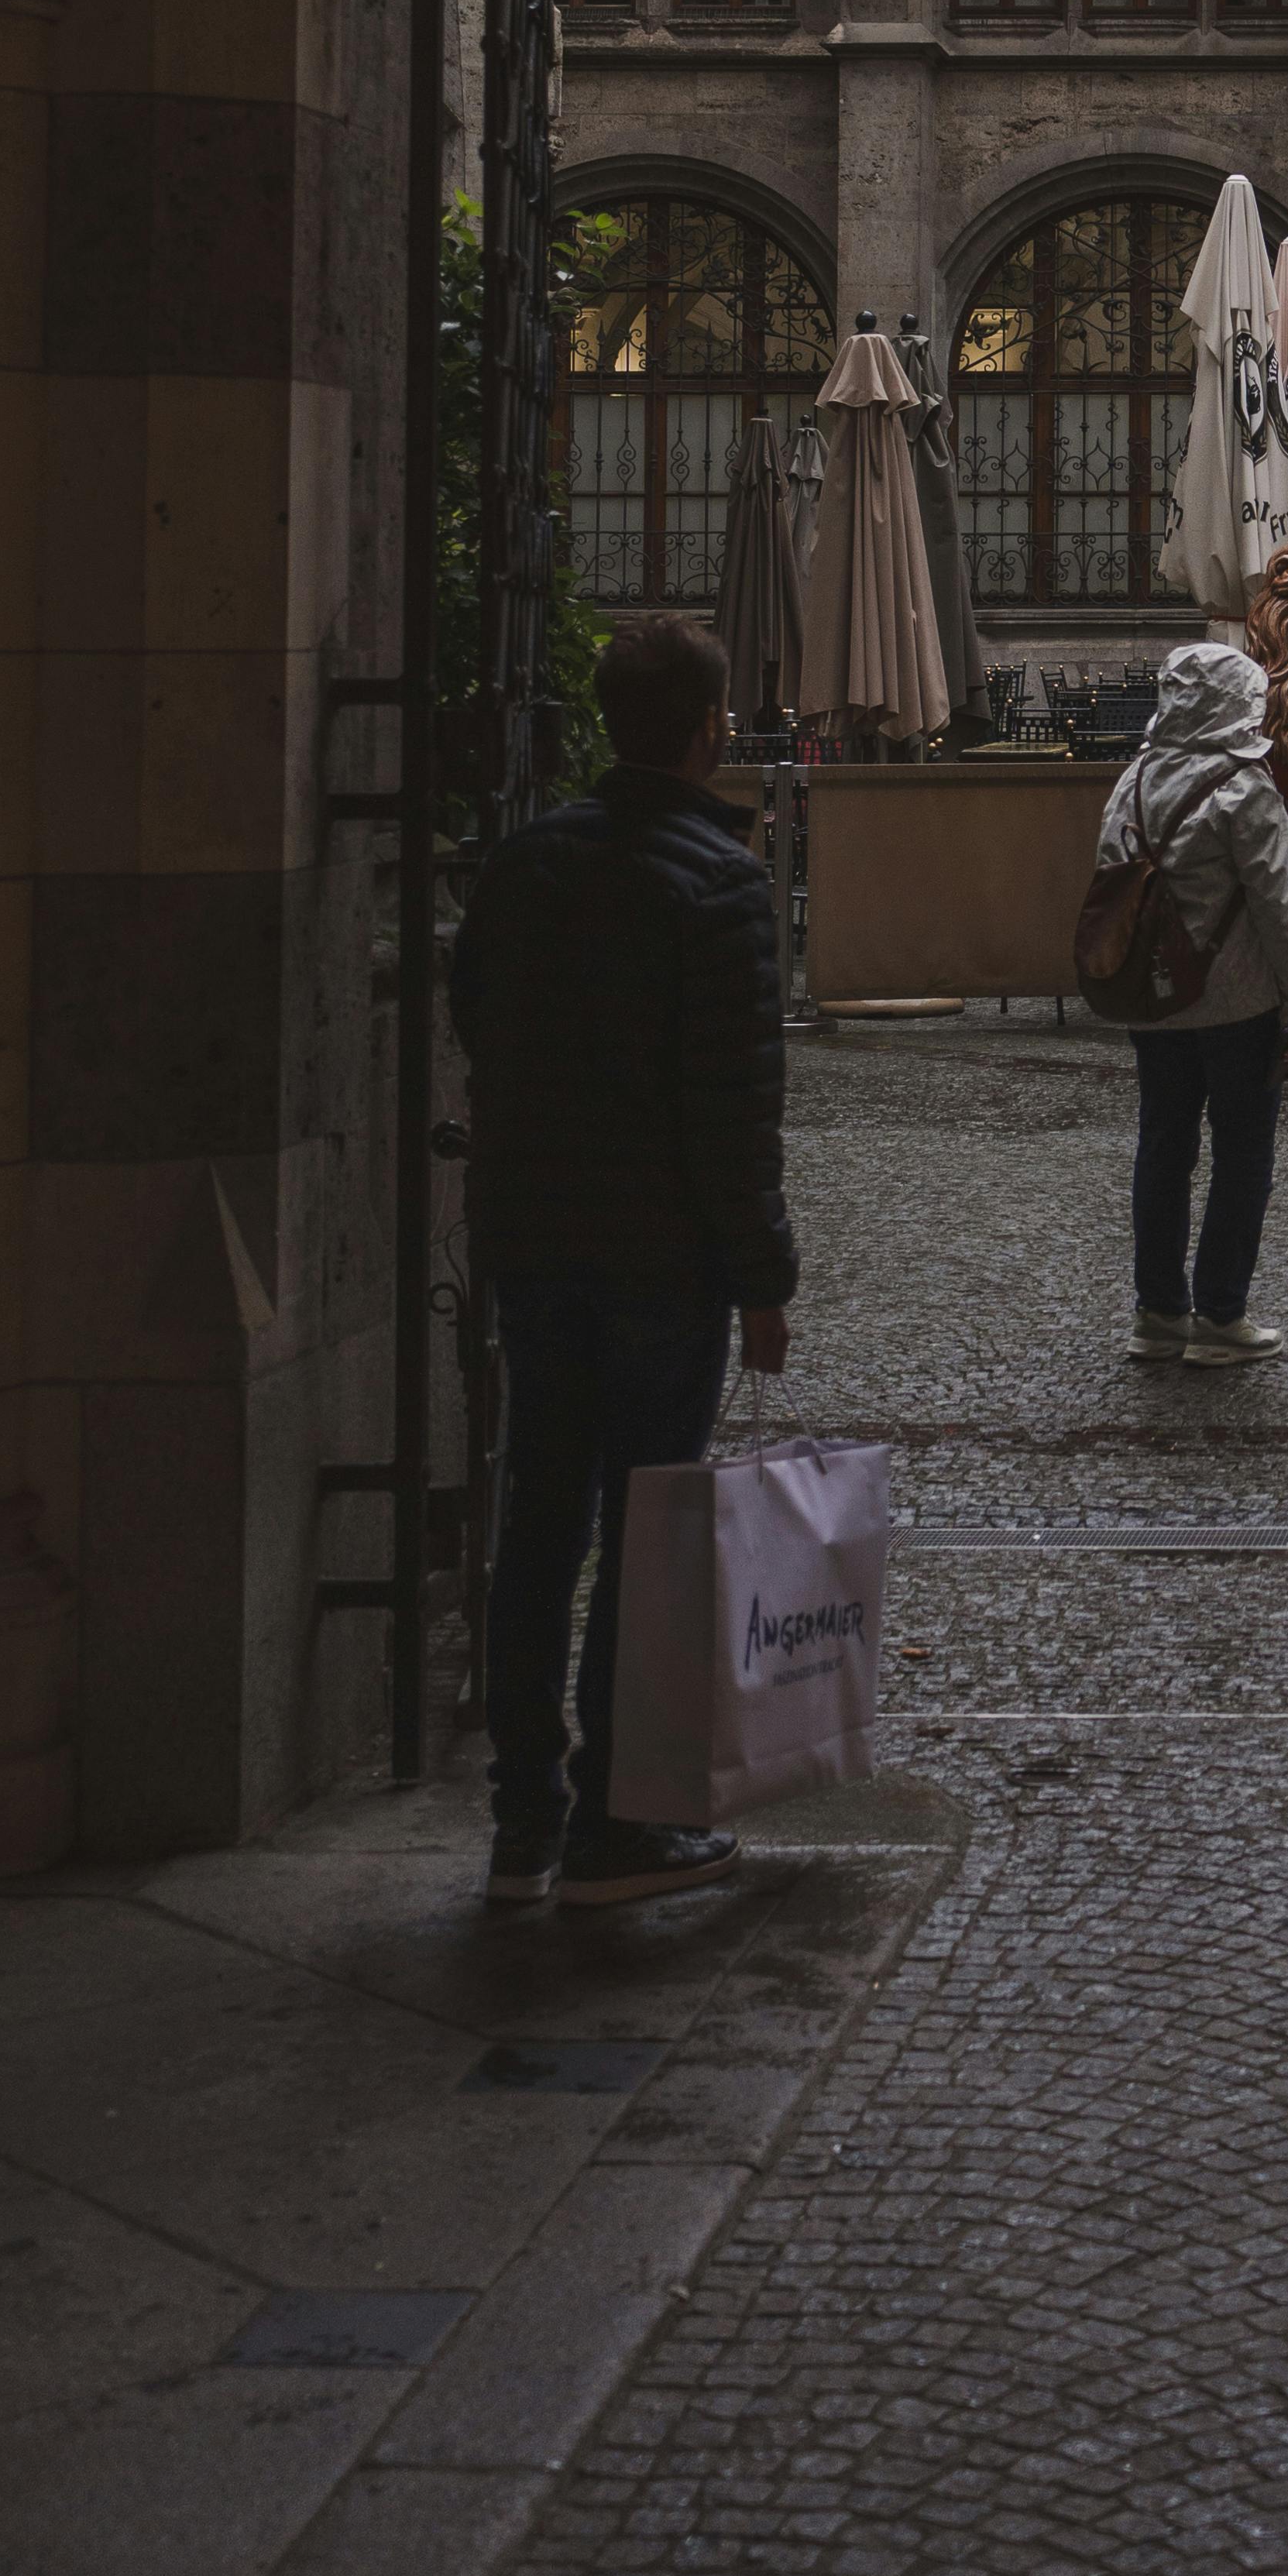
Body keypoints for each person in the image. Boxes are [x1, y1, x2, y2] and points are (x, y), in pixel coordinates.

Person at [448, 609, 795, 1915]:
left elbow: (475, 1007)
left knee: (538, 1523)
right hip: (659, 1259)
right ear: (711, 732)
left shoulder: (530, 862)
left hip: (535, 1243)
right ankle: (613, 1822)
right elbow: (731, 1106)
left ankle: (520, 1817)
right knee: (649, 1533)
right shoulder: (717, 884)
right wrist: (764, 1278)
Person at [1094, 635, 1288, 1366]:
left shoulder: (1133, 779)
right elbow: (1278, 906)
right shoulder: (1245, 789)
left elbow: (1110, 880)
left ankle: (1158, 1313)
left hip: (1154, 1000)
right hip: (1238, 1003)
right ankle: (1222, 1319)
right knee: (1241, 1154)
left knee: (1162, 1147)